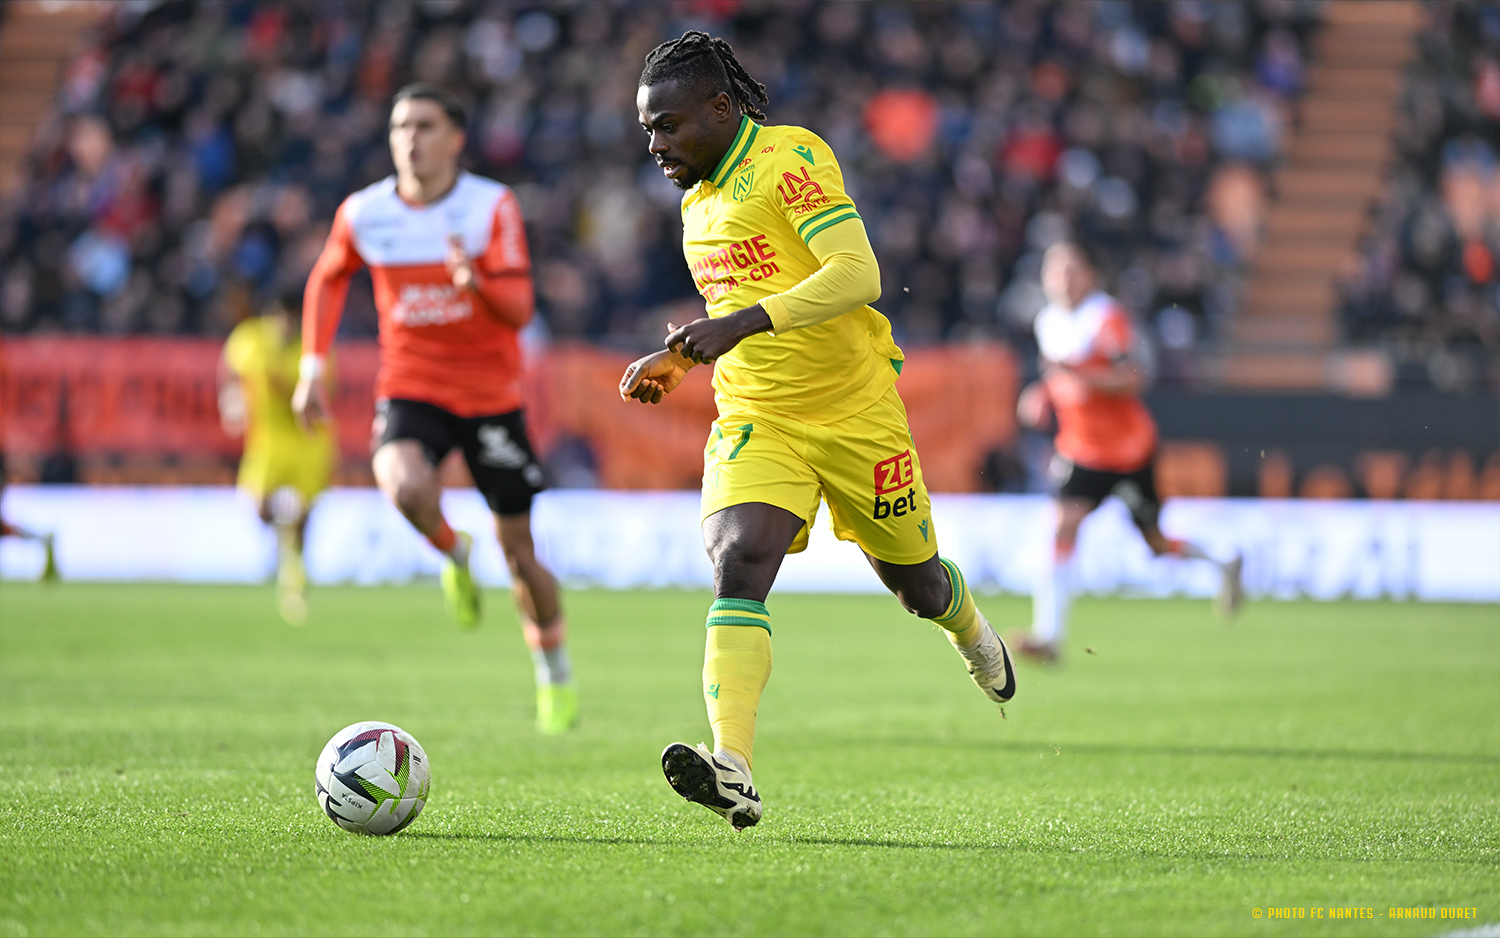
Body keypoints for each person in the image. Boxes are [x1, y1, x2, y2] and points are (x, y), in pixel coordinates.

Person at [620, 32, 1016, 832]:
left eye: (667, 125)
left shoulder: (789, 160)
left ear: (722, 109)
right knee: (739, 561)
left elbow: (857, 274)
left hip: (856, 413)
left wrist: (735, 324)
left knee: (917, 587)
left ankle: (970, 630)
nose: (655, 145)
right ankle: (732, 764)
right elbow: (746, 304)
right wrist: (682, 359)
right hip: (758, 416)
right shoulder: (696, 202)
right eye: (647, 130)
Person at [292, 83, 578, 734]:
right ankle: (453, 550)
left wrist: (475, 282)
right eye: (400, 127)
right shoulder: (365, 212)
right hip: (412, 384)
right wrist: (313, 366)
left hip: (491, 398)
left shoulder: (489, 207)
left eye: (424, 126)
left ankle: (554, 669)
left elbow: (520, 309)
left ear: (456, 139)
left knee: (521, 558)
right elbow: (329, 276)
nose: (409, 140)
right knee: (403, 485)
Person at [1012, 241, 1244, 662]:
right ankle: (1050, 637)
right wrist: (1042, 392)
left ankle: (1223, 561)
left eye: (1071, 270)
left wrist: (1077, 373)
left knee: (1155, 544)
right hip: (1080, 449)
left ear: (1089, 276)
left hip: (1127, 453)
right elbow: (1060, 376)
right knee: (1062, 526)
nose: (1061, 279)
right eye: (1054, 270)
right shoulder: (1048, 321)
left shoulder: (1106, 318)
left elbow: (1131, 377)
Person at [219, 290, 335, 624]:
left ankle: (295, 570)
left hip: (307, 440)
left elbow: (328, 393)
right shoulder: (251, 340)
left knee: (301, 513)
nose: (285, 326)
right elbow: (228, 364)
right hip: (267, 440)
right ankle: (286, 549)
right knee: (257, 507)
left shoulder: (314, 351)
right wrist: (229, 396)